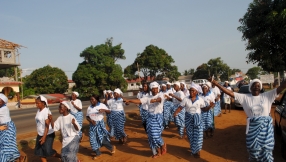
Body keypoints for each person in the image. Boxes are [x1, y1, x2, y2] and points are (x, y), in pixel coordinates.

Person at [210, 78, 286, 161]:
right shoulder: (245, 97)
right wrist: (217, 84)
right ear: (251, 87)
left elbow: (282, 87)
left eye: (258, 85)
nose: (256, 87)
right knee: (253, 151)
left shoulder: (267, 96)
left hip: (266, 131)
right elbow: (230, 93)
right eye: (254, 85)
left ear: (260, 87)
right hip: (252, 130)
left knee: (266, 151)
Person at [124, 81, 167, 158]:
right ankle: (156, 152)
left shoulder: (161, 95)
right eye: (153, 89)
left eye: (156, 89)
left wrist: (155, 100)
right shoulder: (147, 98)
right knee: (150, 136)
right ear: (151, 89)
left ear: (158, 88)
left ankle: (162, 144)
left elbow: (160, 99)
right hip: (150, 117)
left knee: (155, 135)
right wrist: (129, 101)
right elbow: (139, 101)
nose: (154, 90)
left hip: (158, 117)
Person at [173, 83, 206, 158]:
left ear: (196, 92)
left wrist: (209, 107)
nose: (191, 92)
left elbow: (203, 108)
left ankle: (197, 151)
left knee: (198, 136)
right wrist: (176, 112)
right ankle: (194, 148)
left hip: (198, 120)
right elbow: (180, 107)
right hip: (188, 119)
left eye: (193, 91)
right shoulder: (186, 99)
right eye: (190, 90)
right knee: (190, 135)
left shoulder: (200, 100)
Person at [86, 94, 116, 159]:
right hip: (92, 125)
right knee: (92, 140)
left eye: (92, 99)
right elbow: (87, 117)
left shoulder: (102, 105)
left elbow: (109, 111)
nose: (91, 101)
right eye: (90, 99)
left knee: (102, 139)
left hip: (100, 125)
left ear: (96, 100)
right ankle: (98, 153)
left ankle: (111, 147)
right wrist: (91, 121)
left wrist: (104, 110)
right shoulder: (89, 108)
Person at [0, 93, 26, 162]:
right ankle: (18, 157)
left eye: (0, 101)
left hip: (7, 128)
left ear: (4, 102)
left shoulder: (3, 109)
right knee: (7, 146)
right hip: (4, 127)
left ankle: (18, 157)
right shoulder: (2, 107)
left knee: (6, 147)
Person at [34, 95, 61, 162]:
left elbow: (47, 126)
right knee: (40, 152)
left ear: (43, 103)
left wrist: (44, 137)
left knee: (48, 151)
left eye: (38, 103)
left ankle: (61, 157)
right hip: (40, 134)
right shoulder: (39, 110)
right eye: (36, 103)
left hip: (48, 134)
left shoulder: (46, 111)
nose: (36, 105)